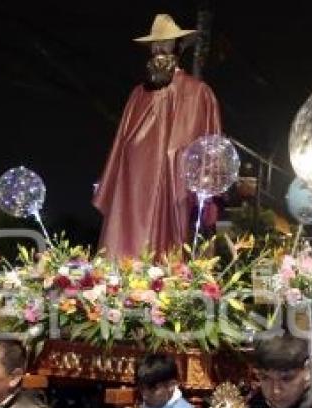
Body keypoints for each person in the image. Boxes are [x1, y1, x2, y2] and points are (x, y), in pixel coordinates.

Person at [93, 13, 221, 258]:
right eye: (155, 43)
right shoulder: (138, 95)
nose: (160, 48)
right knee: (129, 249)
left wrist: (211, 196)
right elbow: (120, 147)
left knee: (173, 254)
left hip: (177, 188)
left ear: (178, 46)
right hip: (135, 187)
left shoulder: (198, 93)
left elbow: (211, 145)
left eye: (166, 42)